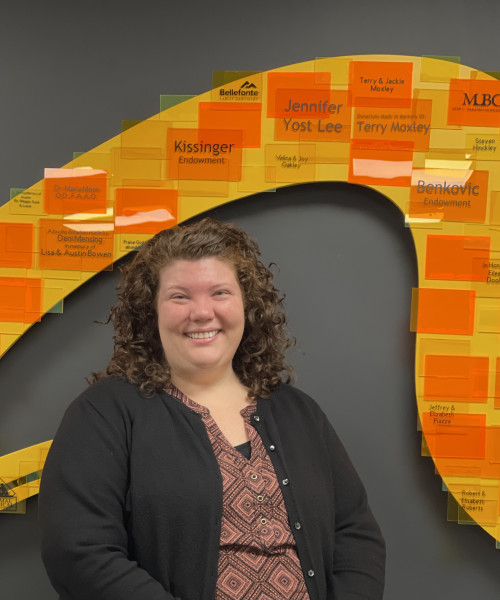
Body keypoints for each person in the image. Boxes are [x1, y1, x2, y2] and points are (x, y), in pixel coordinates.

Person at [39, 218, 385, 600]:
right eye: (180, 297)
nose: (202, 312)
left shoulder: (301, 414)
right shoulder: (104, 415)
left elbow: (356, 534)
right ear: (150, 311)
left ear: (247, 305)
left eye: (220, 292)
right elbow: (79, 551)